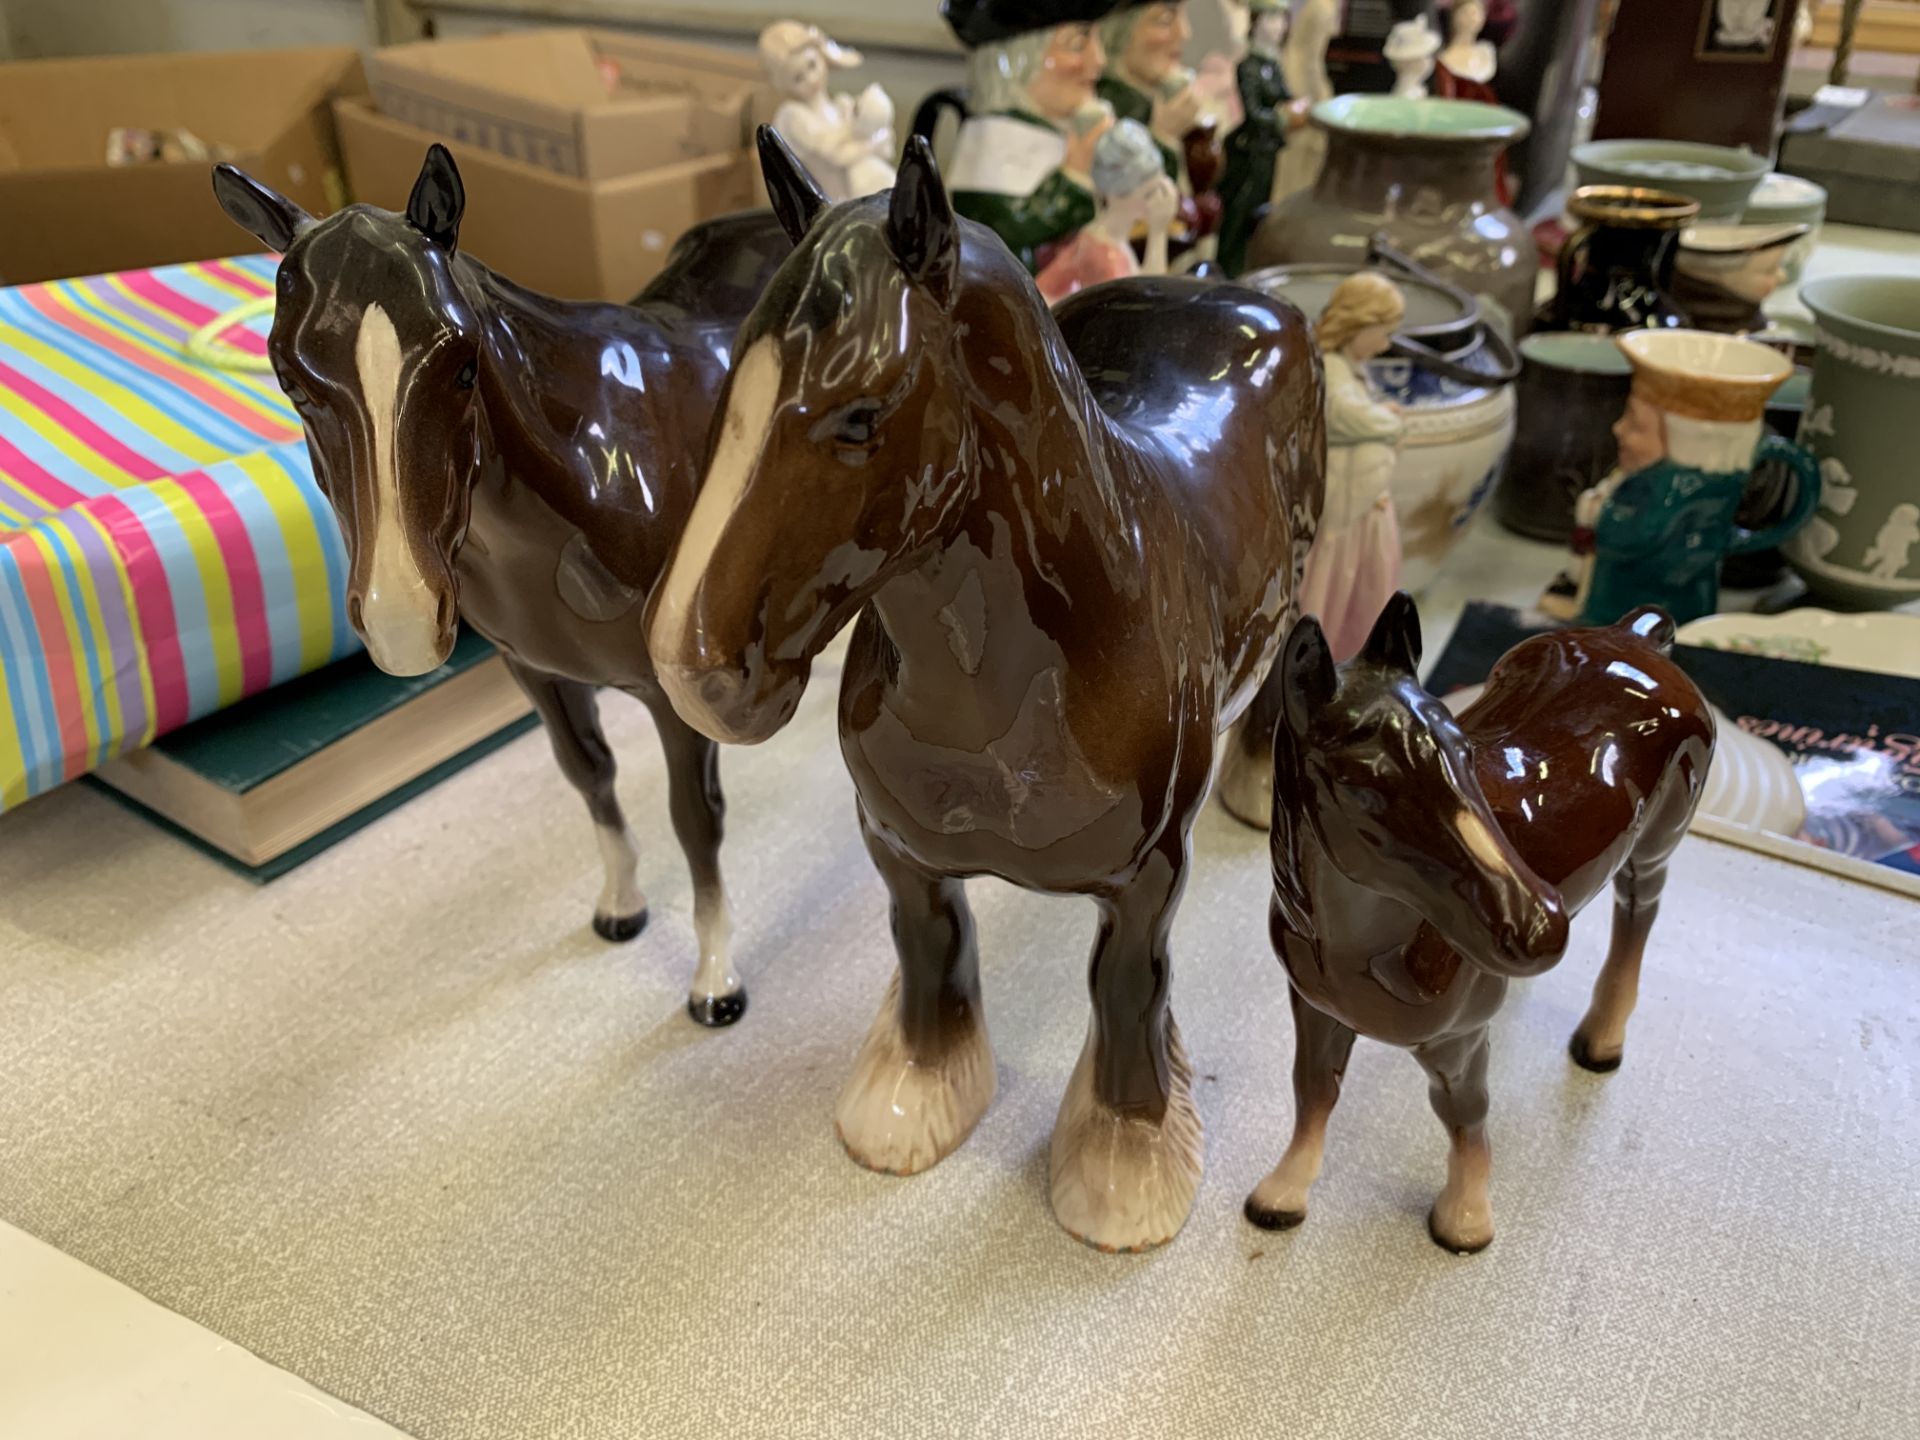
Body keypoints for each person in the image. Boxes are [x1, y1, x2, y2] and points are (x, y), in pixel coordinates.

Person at [937, 0, 1120, 274]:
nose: (1099, 60)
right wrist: (1075, 175)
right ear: (1017, 63)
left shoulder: (1061, 131)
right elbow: (1011, 233)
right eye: (1078, 45)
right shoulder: (994, 143)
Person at [1300, 273, 1409, 660]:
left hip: (1363, 505)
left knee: (1366, 591)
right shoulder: (1331, 366)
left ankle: (1353, 655)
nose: (1385, 344)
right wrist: (1388, 420)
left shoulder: (1350, 366)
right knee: (1338, 587)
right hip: (1346, 512)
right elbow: (1343, 414)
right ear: (1359, 325)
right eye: (1382, 332)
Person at [1036, 120, 1179, 302]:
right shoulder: (1104, 256)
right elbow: (1148, 306)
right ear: (1119, 194)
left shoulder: (1111, 240)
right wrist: (1158, 231)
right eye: (1149, 193)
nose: (1158, 200)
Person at [1215, 0, 1308, 276]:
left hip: (1266, 151)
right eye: (1271, 19)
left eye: (1281, 20)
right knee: (1238, 212)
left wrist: (1298, 107)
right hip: (1248, 151)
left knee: (1258, 212)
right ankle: (1227, 268)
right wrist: (1283, 118)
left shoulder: (1272, 64)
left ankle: (1246, 267)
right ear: (1255, 23)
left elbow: (1285, 97)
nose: (1278, 27)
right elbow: (1254, 113)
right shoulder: (1249, 66)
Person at [757, 21, 896, 200]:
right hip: (831, 205)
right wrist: (872, 145)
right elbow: (836, 155)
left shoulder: (840, 106)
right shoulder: (793, 116)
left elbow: (881, 144)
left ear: (821, 56)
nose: (811, 78)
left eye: (812, 65)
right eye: (798, 78)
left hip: (857, 194)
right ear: (782, 83)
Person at [1098, 2, 1201, 180]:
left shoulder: (1152, 103)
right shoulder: (1113, 117)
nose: (1184, 33)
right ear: (1119, 30)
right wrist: (1163, 139)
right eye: (1165, 20)